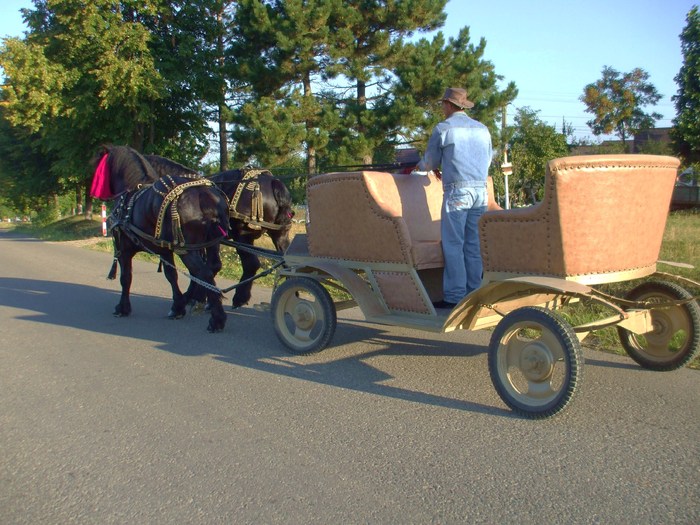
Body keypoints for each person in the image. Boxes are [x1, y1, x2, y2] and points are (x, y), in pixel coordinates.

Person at [414, 87, 493, 309]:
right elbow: (487, 161)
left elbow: (429, 162)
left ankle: (455, 296)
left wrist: (418, 168)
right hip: (480, 191)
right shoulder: (482, 129)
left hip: (458, 191)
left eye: (443, 104)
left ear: (449, 105)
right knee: (473, 244)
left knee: (453, 244)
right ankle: (474, 293)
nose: (442, 108)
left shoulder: (444, 128)